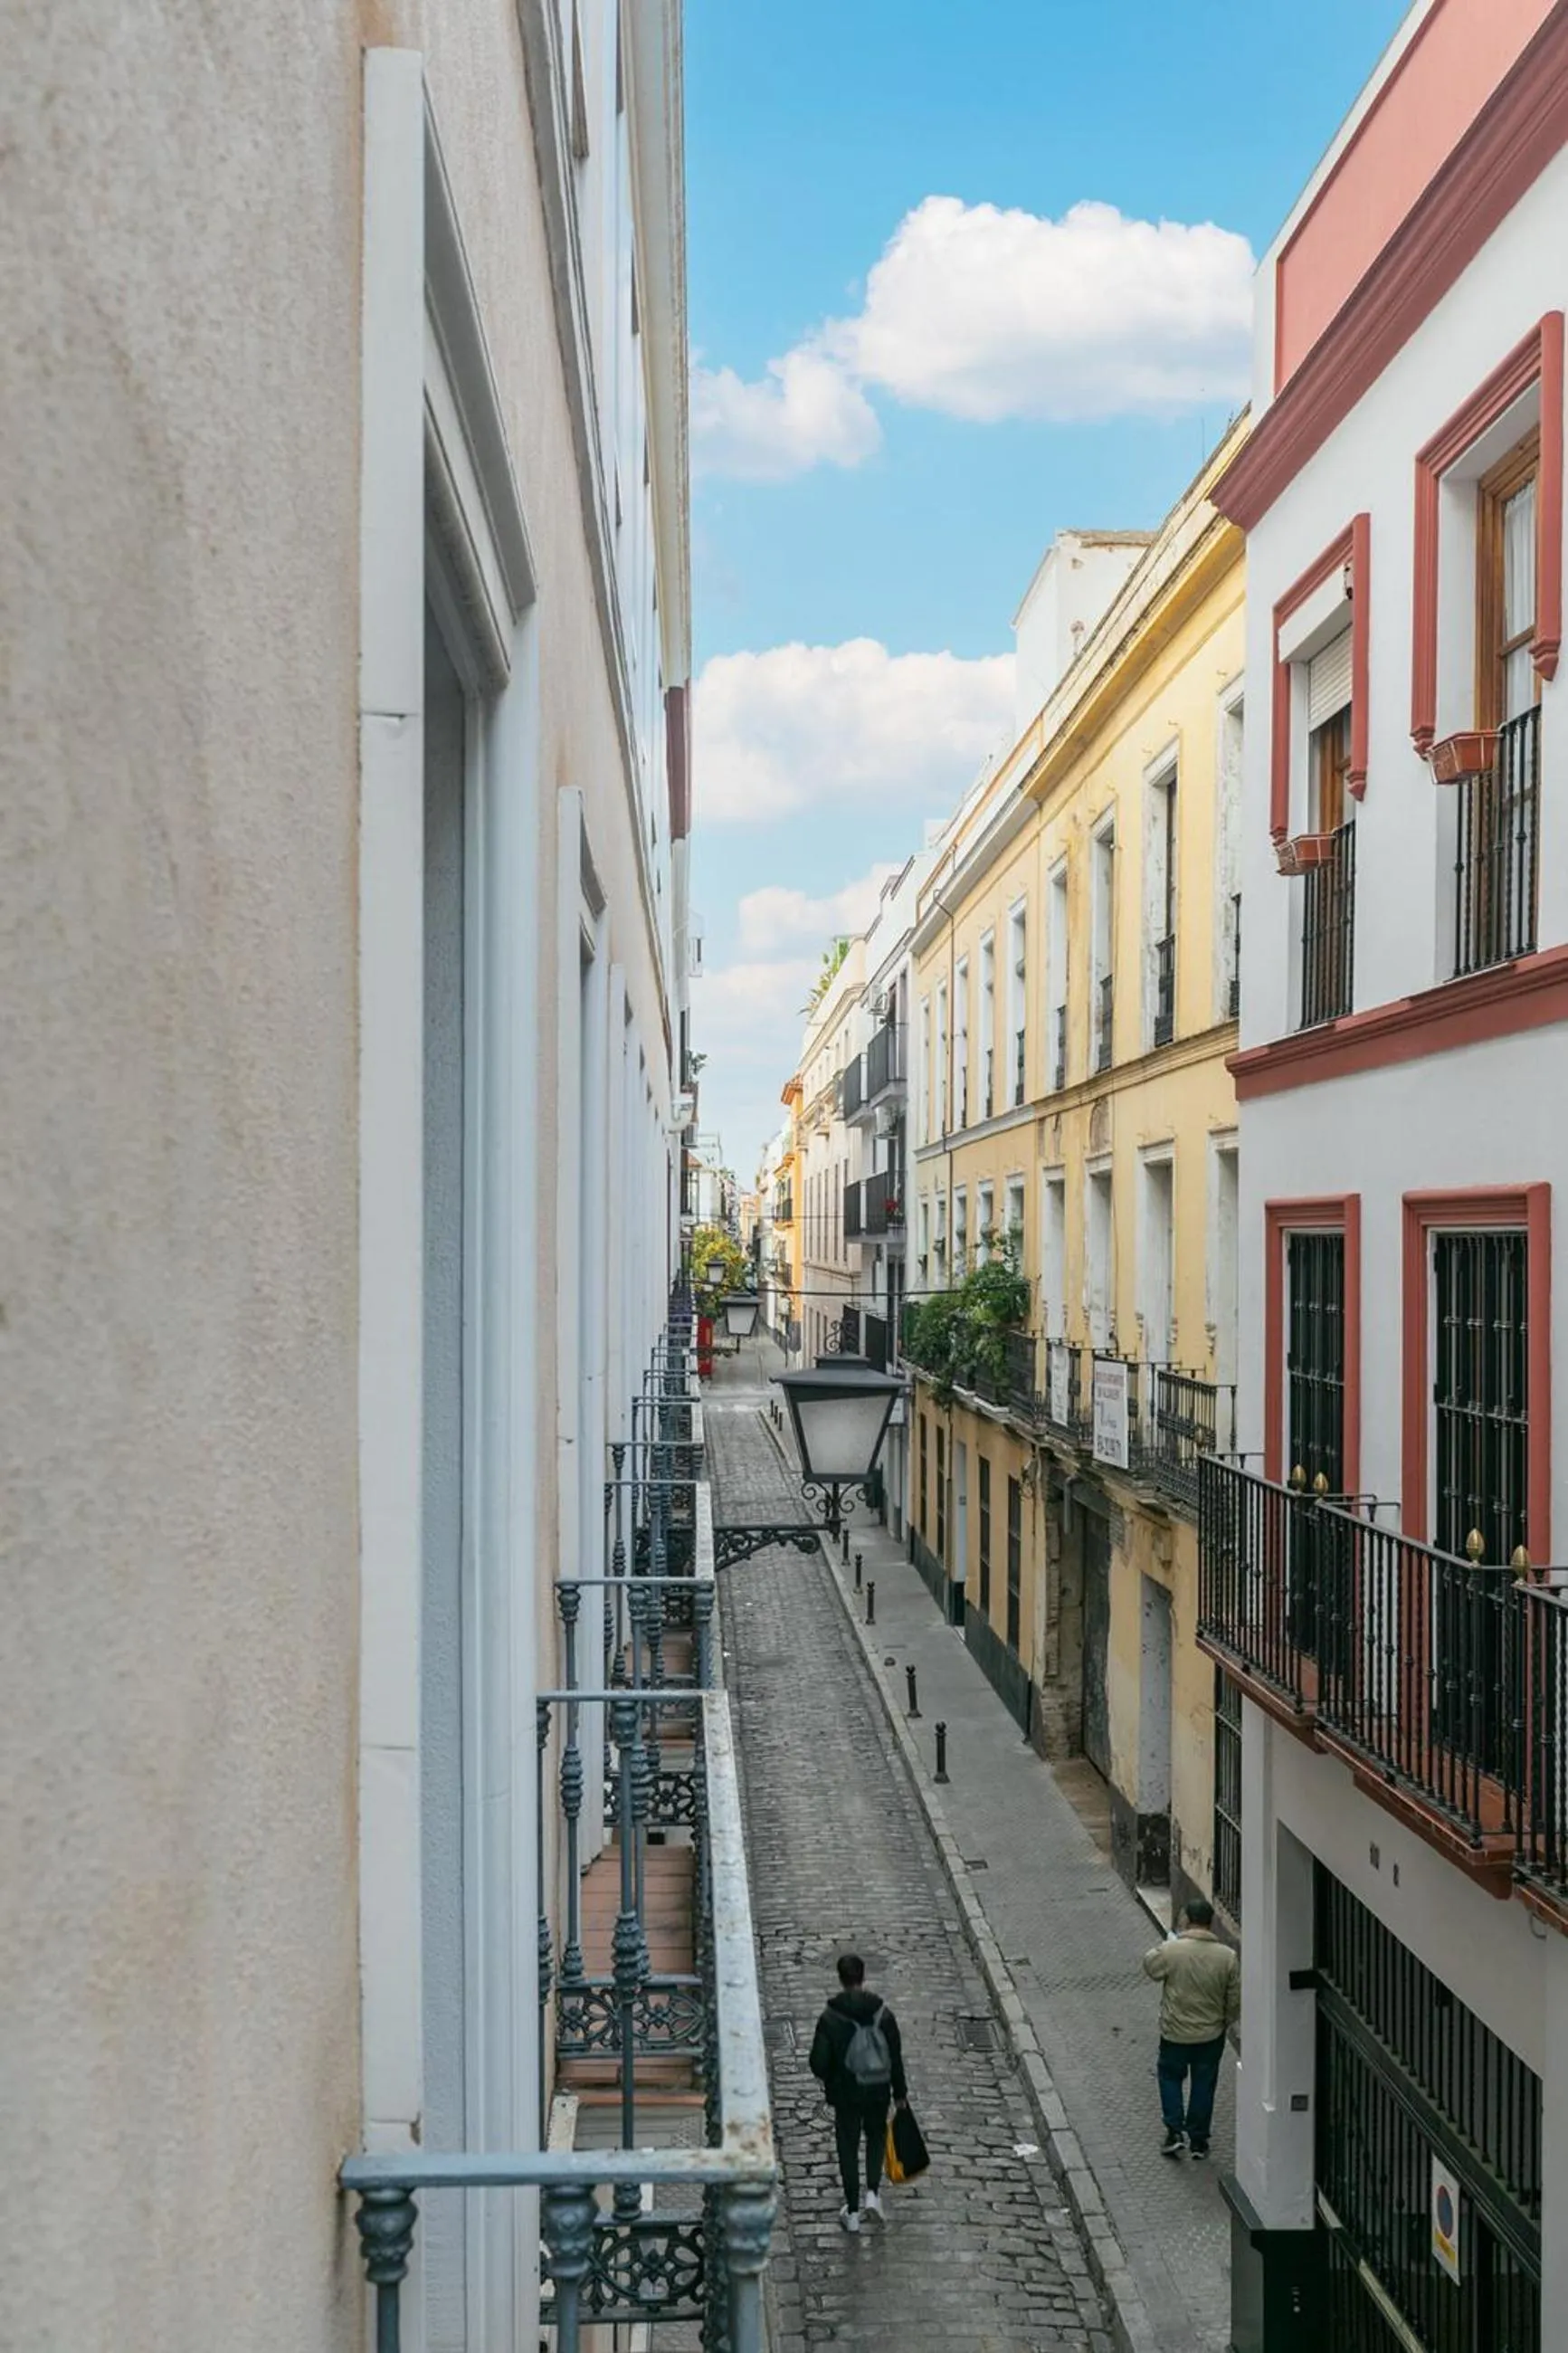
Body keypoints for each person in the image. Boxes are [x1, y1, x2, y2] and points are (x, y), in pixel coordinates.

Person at [808, 1953, 909, 2232]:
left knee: (848, 2146)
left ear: (840, 1979)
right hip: (878, 2090)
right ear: (863, 1977)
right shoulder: (883, 2014)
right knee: (876, 2137)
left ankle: (851, 2212)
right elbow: (895, 2058)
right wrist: (899, 2093)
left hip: (846, 2094)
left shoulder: (830, 2018)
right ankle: (873, 2195)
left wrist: (832, 2077)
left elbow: (818, 2061)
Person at [1142, 1899, 1240, 2159]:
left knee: (1170, 2078)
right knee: (1204, 2084)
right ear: (1211, 1923)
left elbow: (1150, 1967)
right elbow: (1234, 2000)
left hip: (1175, 2032)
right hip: (1210, 2035)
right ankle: (1198, 2140)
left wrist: (1171, 1940)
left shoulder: (1173, 1951)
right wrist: (1224, 2021)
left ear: (1186, 1919)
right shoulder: (1227, 1957)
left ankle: (1174, 2131)